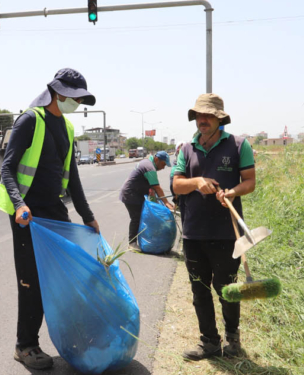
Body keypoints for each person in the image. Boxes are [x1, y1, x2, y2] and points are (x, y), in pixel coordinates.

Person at [0, 68, 100, 370]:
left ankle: (69, 337)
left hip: (55, 212)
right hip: (28, 215)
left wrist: (87, 215)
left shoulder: (66, 127)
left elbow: (74, 178)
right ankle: (25, 345)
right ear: (58, 93)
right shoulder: (30, 120)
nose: (78, 104)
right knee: (32, 281)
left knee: (59, 280)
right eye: (75, 98)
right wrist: (18, 205)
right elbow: (7, 168)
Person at [172, 93, 256, 360]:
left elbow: (250, 182)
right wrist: (197, 182)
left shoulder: (238, 145)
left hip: (226, 233)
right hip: (193, 232)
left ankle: (233, 339)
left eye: (208, 115)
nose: (203, 120)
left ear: (220, 118)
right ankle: (209, 342)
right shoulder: (187, 148)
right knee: (200, 289)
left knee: (227, 289)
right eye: (199, 115)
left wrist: (231, 192)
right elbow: (176, 185)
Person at [119, 150, 174, 251]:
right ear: (157, 159)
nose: (163, 167)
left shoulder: (147, 163)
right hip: (130, 194)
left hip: (135, 194)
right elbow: (157, 188)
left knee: (140, 217)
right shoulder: (150, 167)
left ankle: (140, 241)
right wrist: (166, 203)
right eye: (163, 164)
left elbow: (153, 188)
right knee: (136, 218)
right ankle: (132, 243)